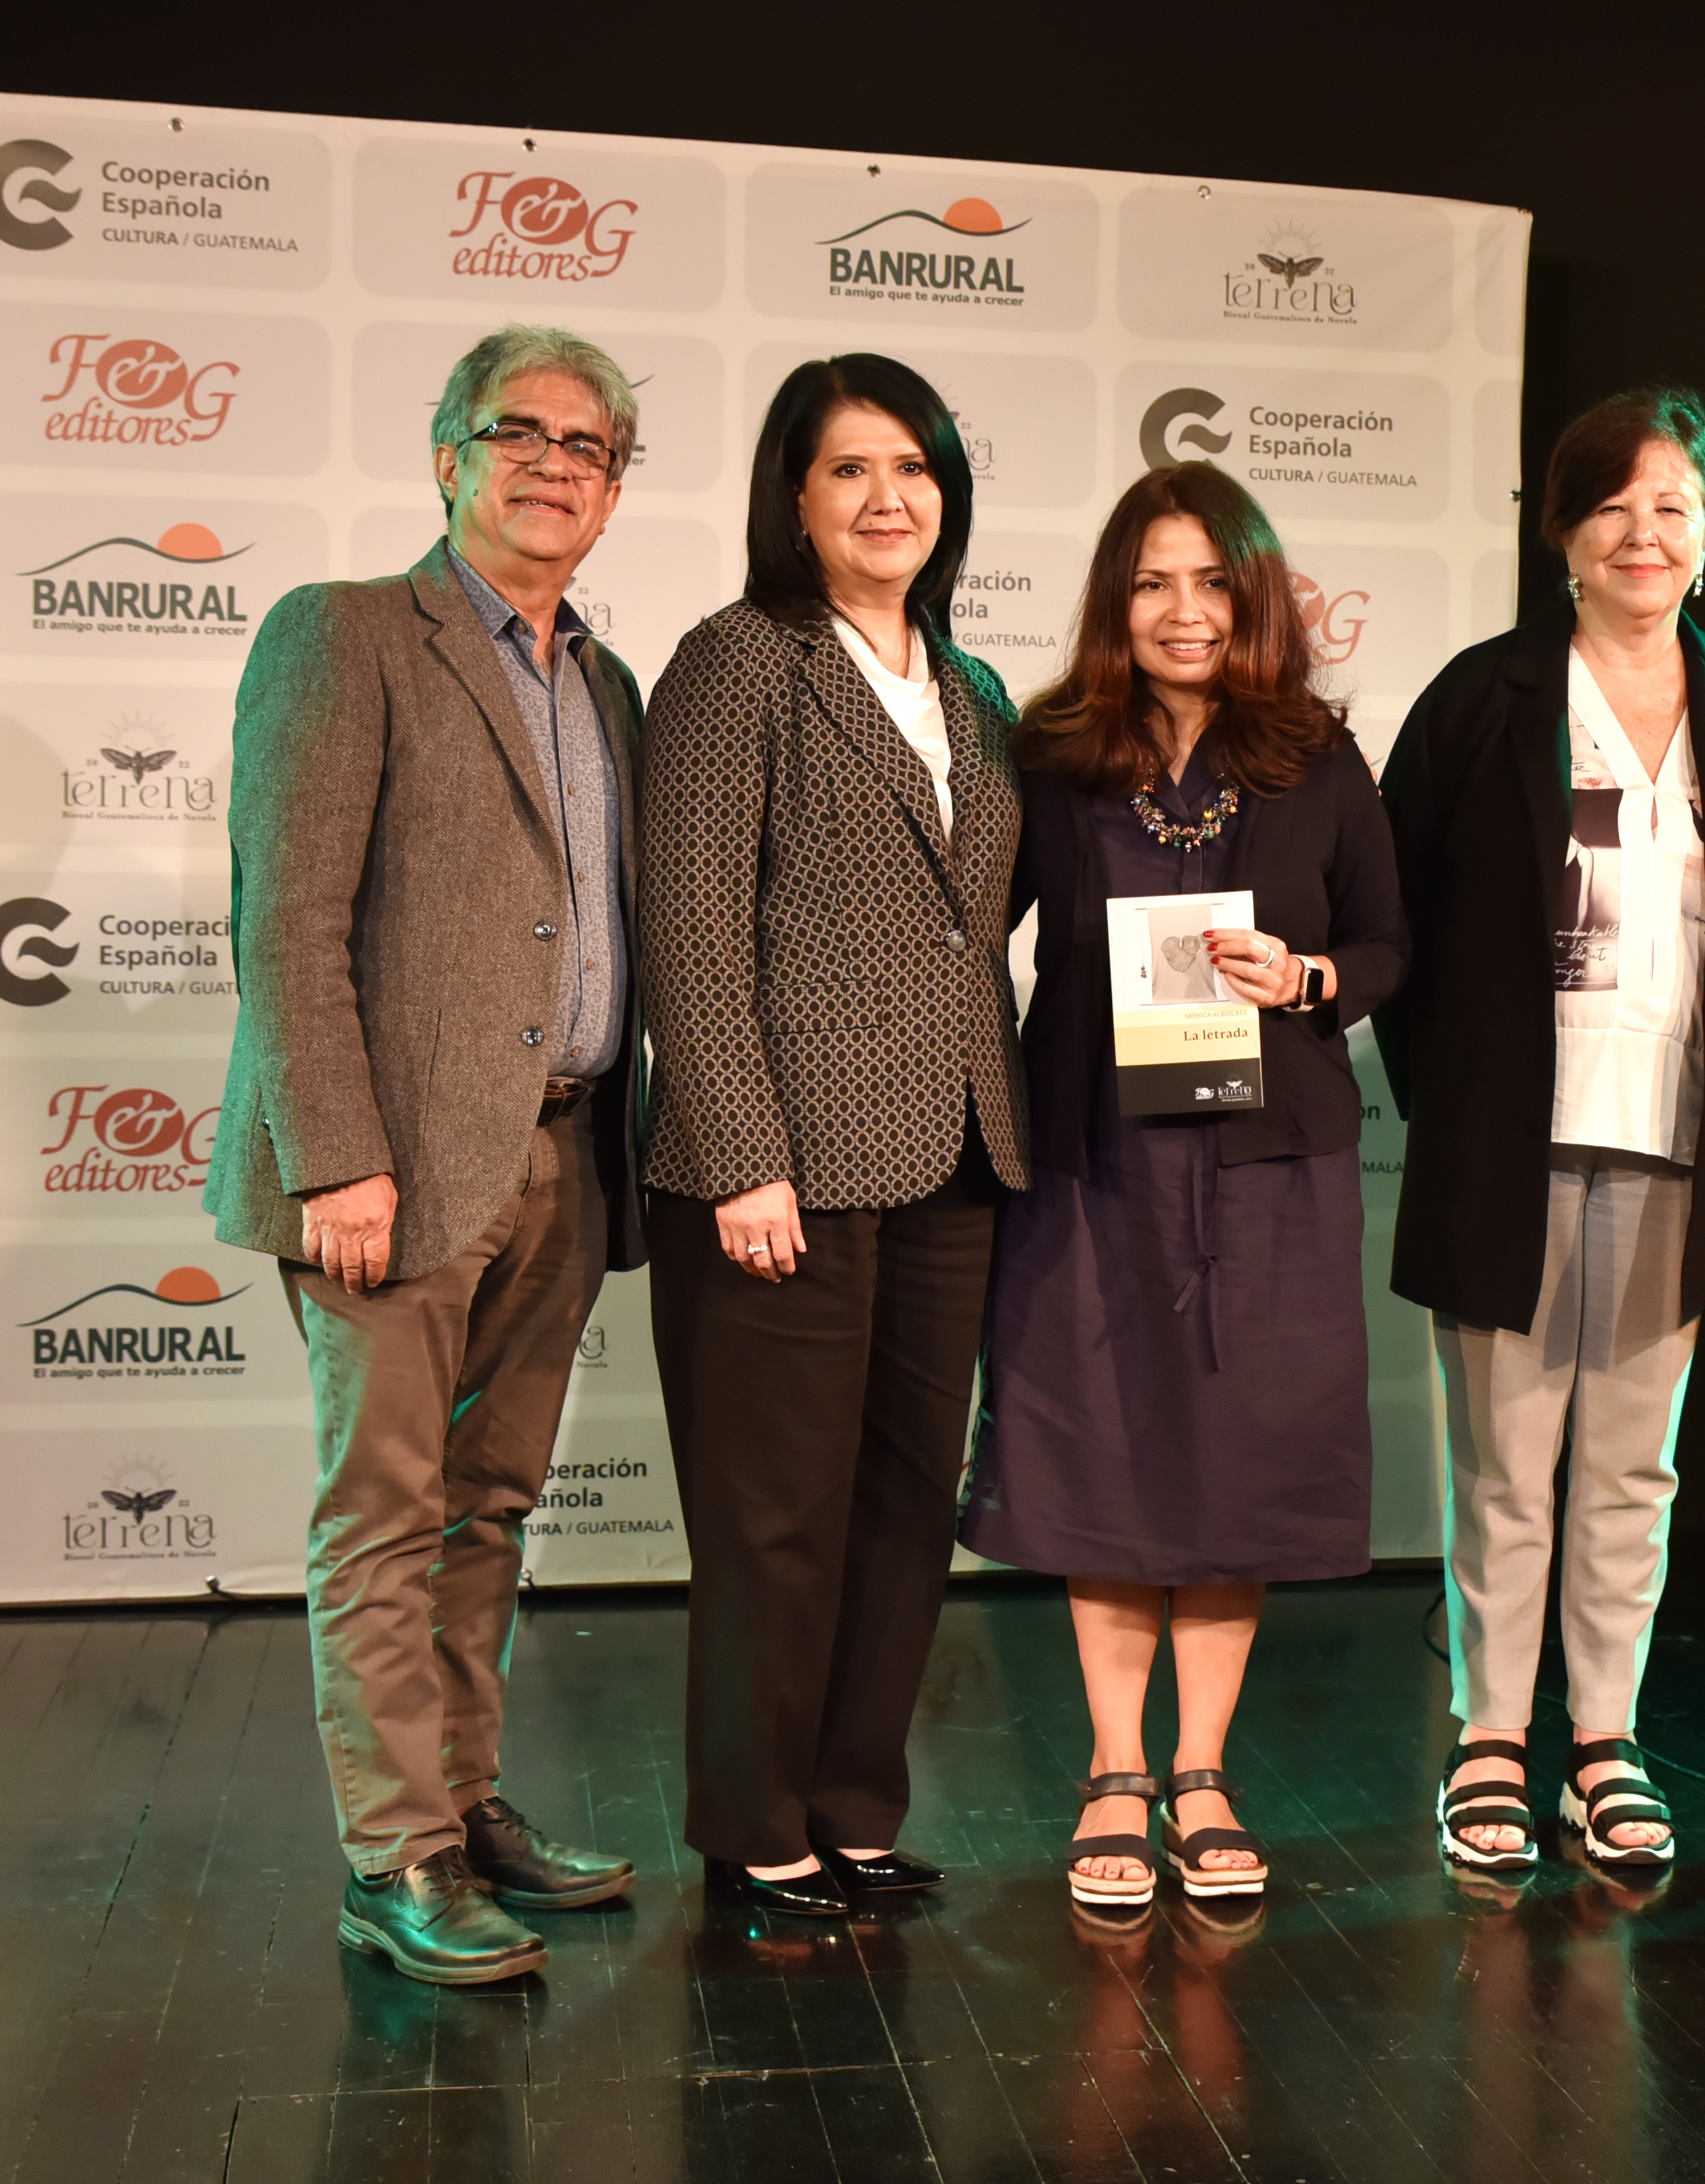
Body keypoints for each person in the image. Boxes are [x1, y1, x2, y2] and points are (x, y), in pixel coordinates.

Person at [208, 324, 648, 1984]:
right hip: (387, 1171)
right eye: (517, 431)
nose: (553, 462)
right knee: (384, 1516)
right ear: (447, 456)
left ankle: (460, 1810)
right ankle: (392, 1859)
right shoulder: (342, 637)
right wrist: (334, 1158)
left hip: (567, 1160)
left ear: (614, 490)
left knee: (493, 1507)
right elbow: (290, 918)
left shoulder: (604, 679)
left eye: (587, 445)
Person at [960, 465, 1408, 1906]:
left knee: (1240, 1459)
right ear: (1115, 601)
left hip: (1271, 1162)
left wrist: (1313, 977)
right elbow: (962, 928)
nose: (1184, 609)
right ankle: (1113, 1773)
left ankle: (1203, 1771)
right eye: (1153, 581)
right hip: (1091, 1156)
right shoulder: (1049, 753)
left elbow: (1391, 943)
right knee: (1105, 1449)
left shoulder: (1319, 756)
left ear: (1254, 594)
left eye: (1212, 581)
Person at [635, 355, 1032, 1919]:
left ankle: (856, 1803)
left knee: (898, 1511)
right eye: (852, 471)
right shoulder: (736, 665)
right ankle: (754, 1824)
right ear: (792, 503)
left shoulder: (976, 689)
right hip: (779, 1168)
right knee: (773, 1520)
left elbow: (979, 915)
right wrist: (740, 1156)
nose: (890, 500)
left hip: (952, 1158)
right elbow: (688, 924)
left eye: (916, 470)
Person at [1376, 387, 1705, 1874]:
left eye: (1672, 504)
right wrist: (1467, 1106)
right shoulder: (1479, 701)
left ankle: (1603, 1743)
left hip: (1675, 1143)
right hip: (1512, 1145)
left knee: (1631, 1468)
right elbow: (1393, 931)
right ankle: (1492, 1739)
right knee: (1500, 1462)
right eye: (1610, 504)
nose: (1642, 532)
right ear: (1560, 532)